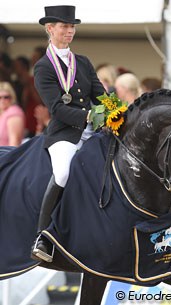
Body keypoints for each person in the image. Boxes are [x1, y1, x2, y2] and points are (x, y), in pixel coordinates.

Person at [31, 5, 105, 263]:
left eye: (72, 26)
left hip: (94, 131)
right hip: (65, 133)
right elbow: (56, 108)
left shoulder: (82, 62)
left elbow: (101, 96)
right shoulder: (43, 67)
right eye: (65, 26)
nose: (70, 31)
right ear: (50, 29)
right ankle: (43, 235)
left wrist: (118, 112)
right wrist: (88, 117)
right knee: (62, 172)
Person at [0, 82, 25, 146]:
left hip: (7, 155)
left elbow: (14, 142)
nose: (2, 100)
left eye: (6, 97)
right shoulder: (3, 113)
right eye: (0, 97)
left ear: (12, 97)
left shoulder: (13, 112)